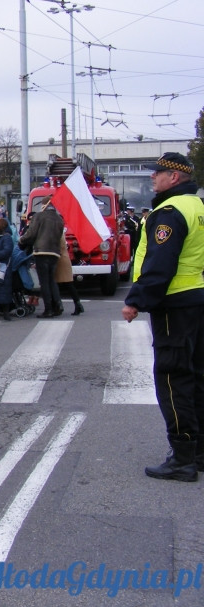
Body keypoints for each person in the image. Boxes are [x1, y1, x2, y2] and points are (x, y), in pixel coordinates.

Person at [122, 152, 204, 482]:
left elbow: (160, 264)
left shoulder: (169, 212)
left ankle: (182, 456)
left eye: (158, 173)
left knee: (173, 378)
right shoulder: (197, 207)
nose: (153, 178)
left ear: (175, 177)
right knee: (197, 376)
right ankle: (198, 451)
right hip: (197, 298)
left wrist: (136, 301)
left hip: (174, 303)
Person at [18, 197, 65, 318]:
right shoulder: (59, 219)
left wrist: (21, 241)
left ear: (44, 205)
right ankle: (58, 305)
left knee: (44, 282)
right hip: (55, 252)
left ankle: (48, 309)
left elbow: (31, 233)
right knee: (51, 281)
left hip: (41, 251)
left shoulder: (39, 216)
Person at [55, 230, 84, 316]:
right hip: (64, 259)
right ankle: (78, 304)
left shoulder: (57, 232)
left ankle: (58, 305)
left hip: (60, 260)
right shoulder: (61, 232)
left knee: (58, 284)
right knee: (69, 284)